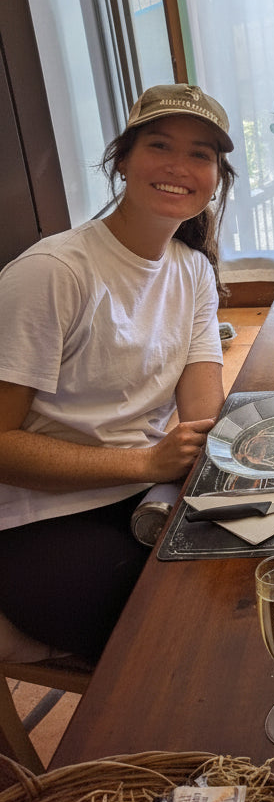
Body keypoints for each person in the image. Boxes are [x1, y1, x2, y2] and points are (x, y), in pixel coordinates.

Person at [0, 83, 237, 661]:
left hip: (146, 493)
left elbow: (203, 418)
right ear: (123, 160)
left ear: (216, 176)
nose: (180, 167)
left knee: (249, 580)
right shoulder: (55, 273)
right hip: (41, 518)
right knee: (178, 632)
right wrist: (147, 462)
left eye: (201, 154)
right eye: (160, 146)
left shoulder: (193, 273)